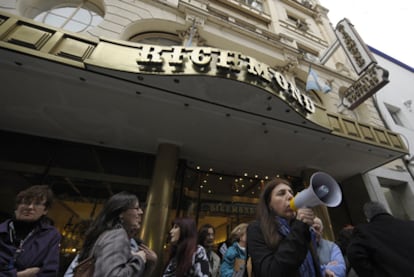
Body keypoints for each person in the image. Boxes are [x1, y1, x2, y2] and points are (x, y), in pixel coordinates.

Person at [247, 177, 322, 277]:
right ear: (269, 204)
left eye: (291, 192)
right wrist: (299, 227)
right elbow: (270, 272)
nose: (290, 196)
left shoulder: (301, 227)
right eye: (281, 193)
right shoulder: (257, 229)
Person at [69, 191, 157, 276]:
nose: (141, 212)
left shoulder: (110, 234)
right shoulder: (116, 235)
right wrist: (139, 259)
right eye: (136, 208)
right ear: (121, 213)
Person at [0, 185, 61, 276]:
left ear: (45, 210)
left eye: (37, 203)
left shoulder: (50, 235)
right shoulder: (2, 231)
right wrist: (19, 275)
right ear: (17, 206)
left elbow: (49, 272)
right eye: (26, 202)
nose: (30, 207)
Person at [347, 201, 414, 276]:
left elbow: (354, 254)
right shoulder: (411, 225)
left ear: (368, 217)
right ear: (385, 210)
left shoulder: (364, 231)